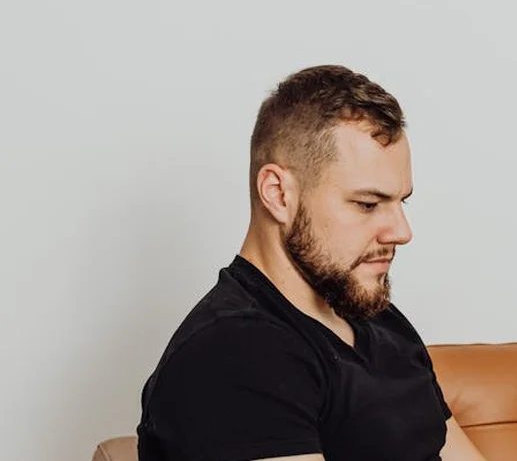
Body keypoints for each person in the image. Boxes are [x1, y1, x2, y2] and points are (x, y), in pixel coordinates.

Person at [136, 65, 489, 461]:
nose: (401, 231)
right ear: (278, 194)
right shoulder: (232, 353)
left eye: (400, 202)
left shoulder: (381, 320)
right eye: (368, 204)